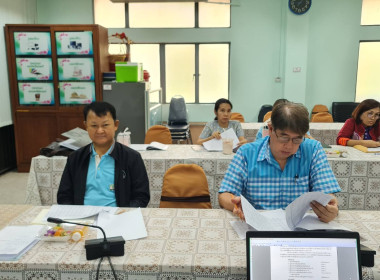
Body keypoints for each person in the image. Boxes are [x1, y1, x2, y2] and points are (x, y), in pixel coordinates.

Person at [218, 102, 340, 223]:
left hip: (300, 228)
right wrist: (236, 205)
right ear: (271, 129)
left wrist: (330, 209)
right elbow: (225, 194)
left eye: (297, 139)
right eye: (284, 137)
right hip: (258, 225)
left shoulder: (313, 150)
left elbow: (327, 194)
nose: (289, 146)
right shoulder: (247, 153)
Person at [57, 101, 150, 207]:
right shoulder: (75, 158)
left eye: (105, 125)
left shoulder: (132, 157)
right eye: (94, 125)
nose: (100, 131)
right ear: (86, 126)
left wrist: (123, 214)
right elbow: (64, 196)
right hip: (83, 219)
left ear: (115, 125)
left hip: (117, 218)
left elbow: (142, 197)